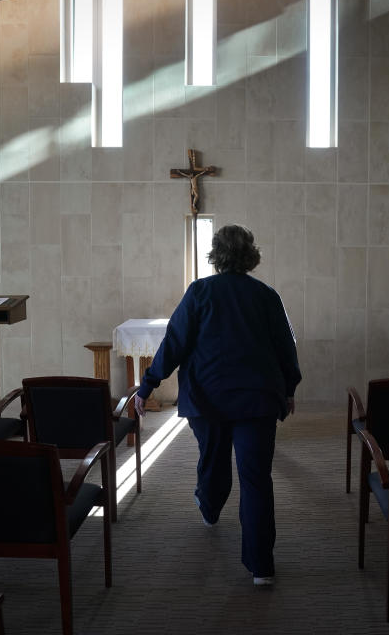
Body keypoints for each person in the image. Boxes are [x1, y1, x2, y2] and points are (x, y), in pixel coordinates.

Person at [134, 224, 302, 586]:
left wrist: (147, 386)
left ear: (216, 255)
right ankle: (261, 568)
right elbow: (285, 347)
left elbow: (174, 344)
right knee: (256, 478)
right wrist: (289, 388)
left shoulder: (199, 292)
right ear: (251, 254)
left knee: (213, 458)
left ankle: (210, 509)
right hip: (257, 399)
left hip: (207, 398)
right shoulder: (266, 295)